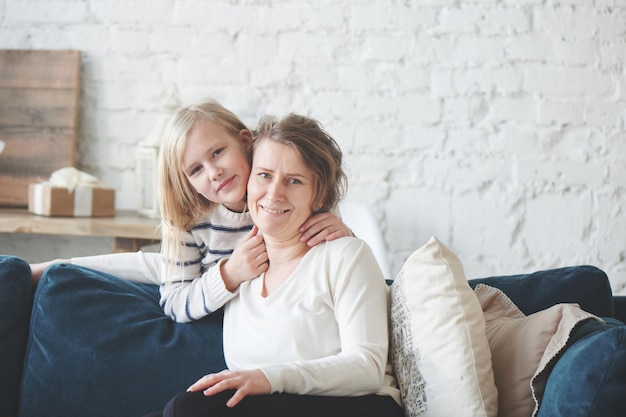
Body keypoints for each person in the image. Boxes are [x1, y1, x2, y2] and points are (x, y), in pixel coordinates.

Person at [144, 113, 402, 417]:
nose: (274, 194)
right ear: (248, 180)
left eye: (294, 181)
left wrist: (267, 379)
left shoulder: (347, 255)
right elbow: (149, 266)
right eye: (264, 175)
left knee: (189, 409)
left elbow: (367, 368)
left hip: (359, 406)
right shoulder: (240, 270)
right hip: (273, 406)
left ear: (318, 194)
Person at [29, 99, 353, 323]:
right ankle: (50, 267)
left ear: (244, 141)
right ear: (186, 181)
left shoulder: (281, 190)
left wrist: (341, 232)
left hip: (223, 276)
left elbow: (334, 254)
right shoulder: (194, 222)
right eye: (196, 169)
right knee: (142, 265)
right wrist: (229, 273)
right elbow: (175, 302)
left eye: (218, 152)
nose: (214, 172)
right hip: (207, 269)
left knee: (149, 265)